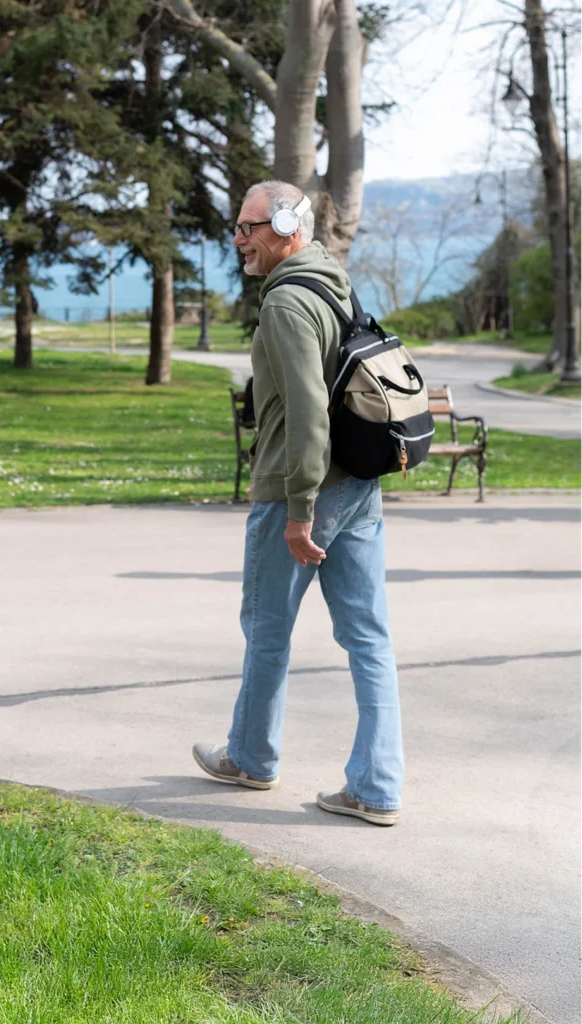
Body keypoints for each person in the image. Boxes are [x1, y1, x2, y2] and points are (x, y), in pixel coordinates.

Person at [192, 180, 403, 826]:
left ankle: (251, 757)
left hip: (299, 487)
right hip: (357, 486)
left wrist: (299, 510)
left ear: (285, 226)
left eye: (248, 227)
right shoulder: (330, 278)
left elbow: (310, 410)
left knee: (266, 632)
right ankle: (377, 786)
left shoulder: (285, 302)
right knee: (369, 637)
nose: (238, 239)